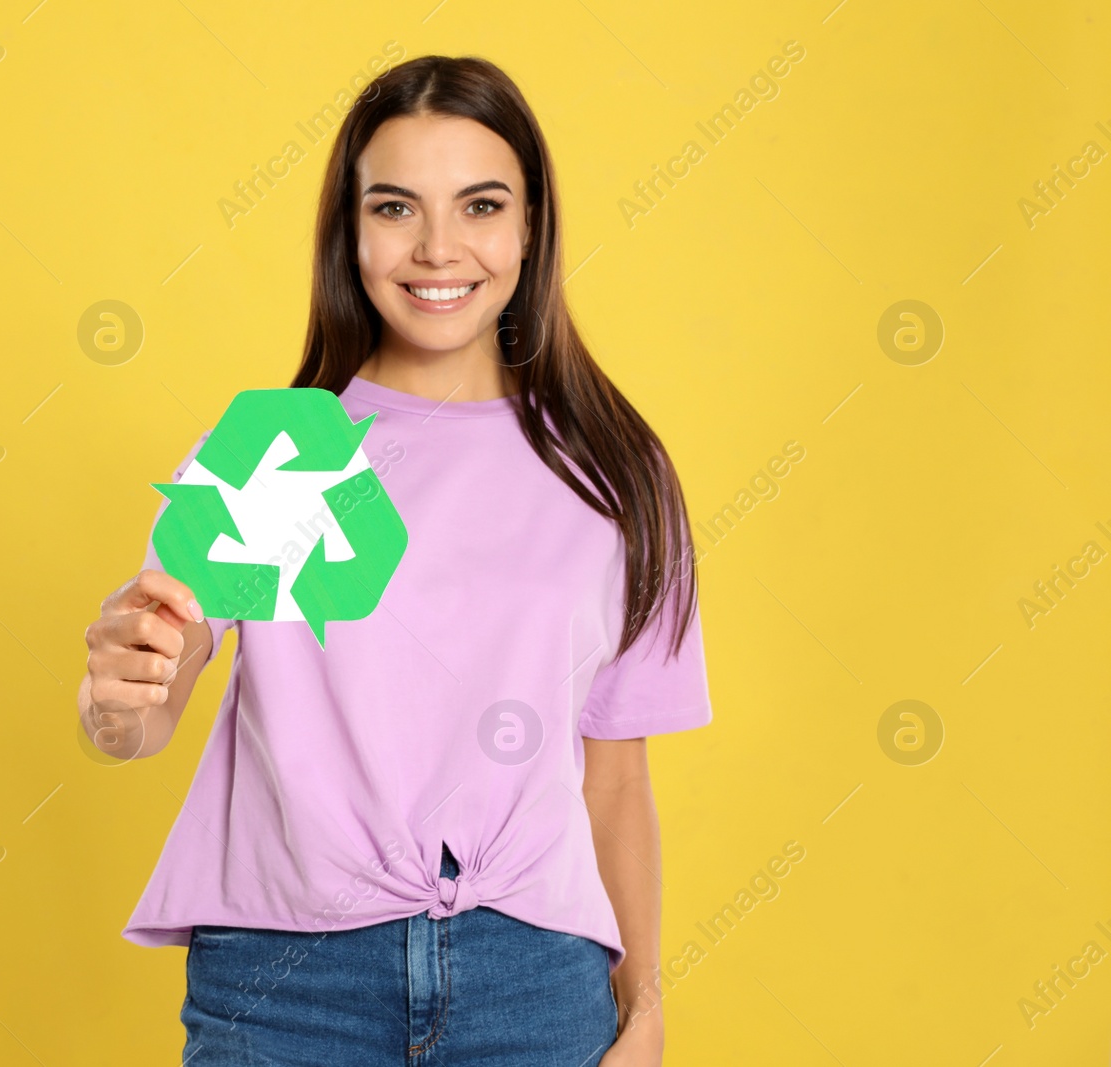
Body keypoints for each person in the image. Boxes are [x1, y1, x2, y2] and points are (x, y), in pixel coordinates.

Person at [79, 53, 713, 1066]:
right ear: (350, 231)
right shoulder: (283, 453)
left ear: (529, 228)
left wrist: (643, 1007)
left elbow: (616, 781)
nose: (436, 247)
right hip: (287, 983)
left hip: (534, 984)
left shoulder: (611, 471)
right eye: (393, 207)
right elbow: (150, 698)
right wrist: (117, 697)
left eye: (479, 204)